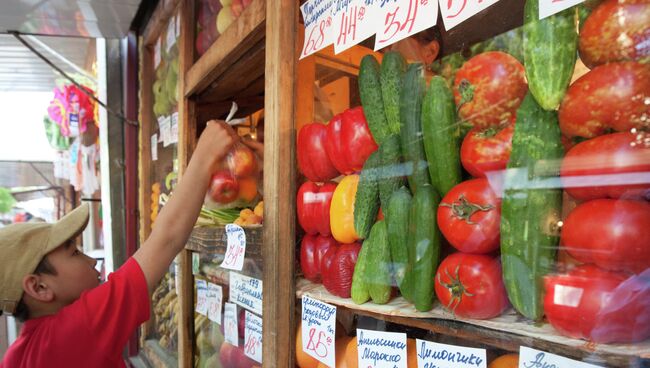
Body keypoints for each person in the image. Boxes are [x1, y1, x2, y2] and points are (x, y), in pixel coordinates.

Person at [0, 120, 238, 368]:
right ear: (38, 287)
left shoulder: (16, 356)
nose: (92, 260)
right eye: (74, 253)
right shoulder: (74, 330)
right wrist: (205, 154)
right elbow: (167, 239)